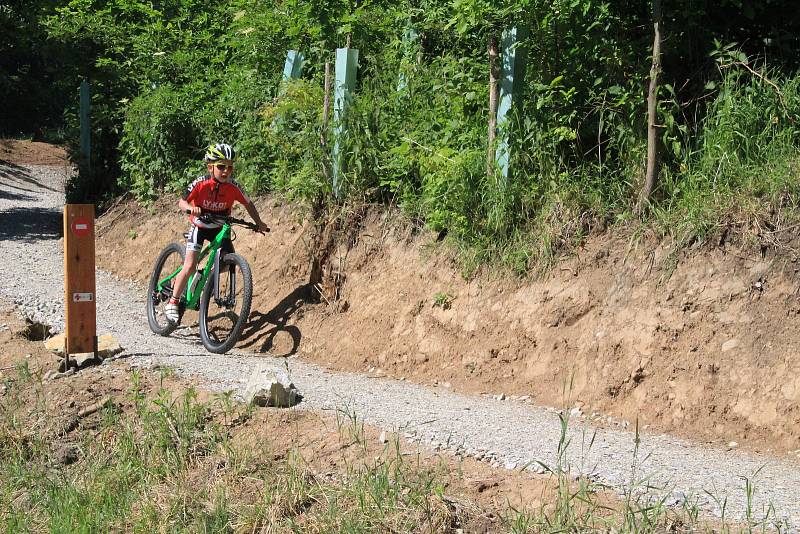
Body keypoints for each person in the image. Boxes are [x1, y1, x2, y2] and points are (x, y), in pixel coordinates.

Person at [165, 143, 269, 324]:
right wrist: (191, 209)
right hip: (199, 227)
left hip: (220, 228)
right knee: (189, 266)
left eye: (229, 167)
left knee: (228, 265)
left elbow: (248, 204)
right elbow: (181, 202)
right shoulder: (200, 183)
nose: (226, 171)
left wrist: (258, 223)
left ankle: (204, 280)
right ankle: (173, 302)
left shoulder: (234, 187)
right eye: (221, 166)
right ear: (210, 167)